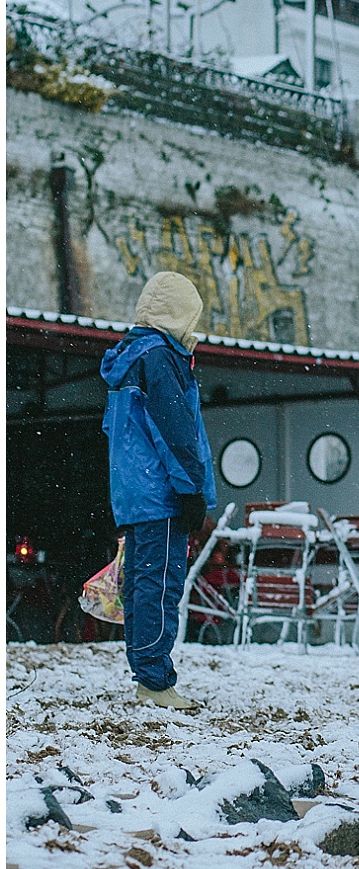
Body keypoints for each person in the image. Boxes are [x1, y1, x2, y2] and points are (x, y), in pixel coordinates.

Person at [101, 271, 216, 712]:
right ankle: (154, 679)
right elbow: (176, 433)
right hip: (161, 493)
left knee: (143, 584)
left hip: (136, 492)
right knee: (159, 584)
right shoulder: (159, 359)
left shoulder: (131, 356)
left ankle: (147, 672)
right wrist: (192, 492)